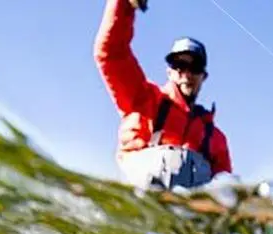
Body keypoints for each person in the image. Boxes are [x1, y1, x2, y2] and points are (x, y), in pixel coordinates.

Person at [94, 0, 232, 191]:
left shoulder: (217, 140)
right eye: (179, 65)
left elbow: (227, 194)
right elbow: (111, 54)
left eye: (195, 67)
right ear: (169, 72)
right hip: (135, 205)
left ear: (204, 76)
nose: (187, 73)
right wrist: (124, 4)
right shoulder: (142, 98)